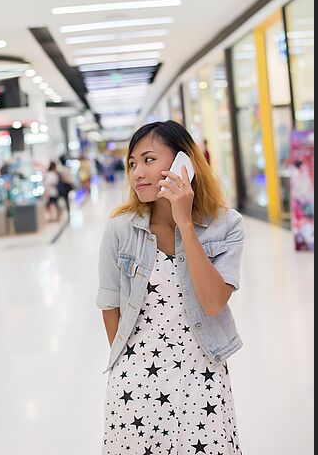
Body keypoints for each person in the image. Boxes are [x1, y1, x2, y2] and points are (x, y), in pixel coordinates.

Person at [96, 120, 244, 454]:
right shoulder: (120, 229)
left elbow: (213, 302)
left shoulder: (226, 225)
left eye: (149, 160)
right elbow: (109, 307)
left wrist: (186, 223)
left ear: (184, 163)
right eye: (132, 163)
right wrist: (129, 368)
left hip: (203, 378)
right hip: (135, 384)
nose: (137, 173)